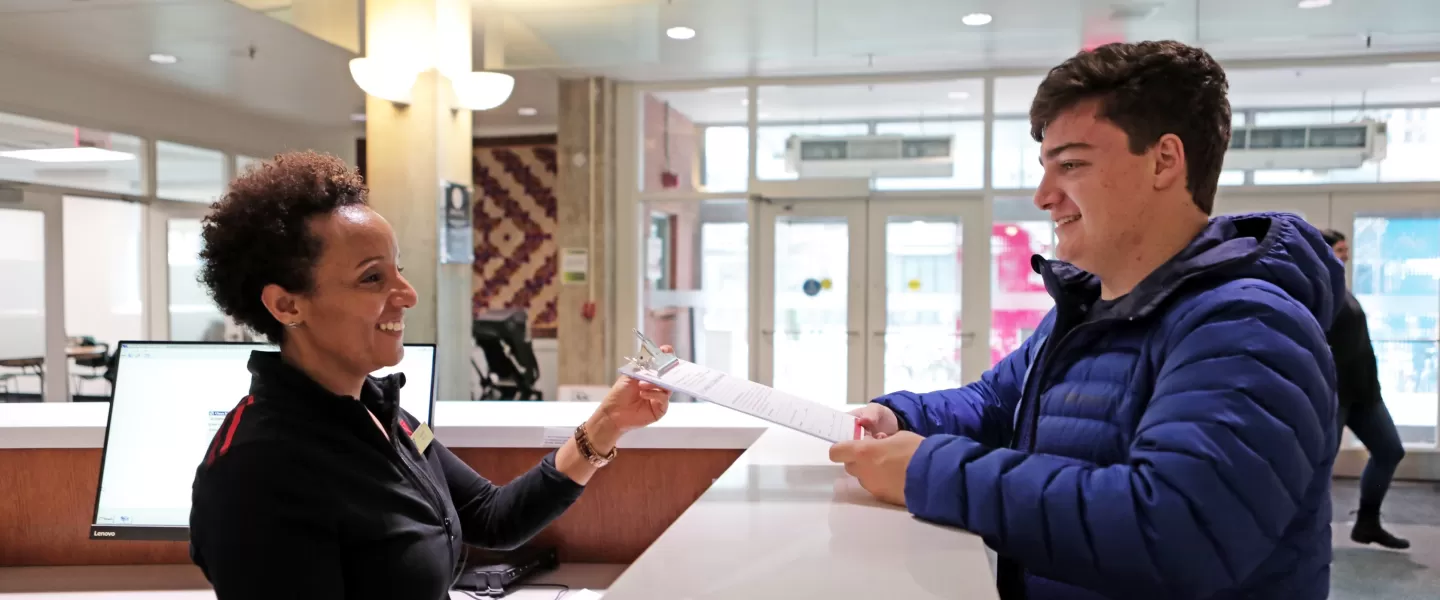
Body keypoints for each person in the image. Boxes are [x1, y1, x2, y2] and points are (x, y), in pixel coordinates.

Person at [831, 41, 1344, 600]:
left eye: (1071, 165)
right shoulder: (1086, 310)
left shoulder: (1247, 326)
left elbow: (1174, 531)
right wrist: (901, 416)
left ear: (1164, 161)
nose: (1044, 196)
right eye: (1046, 168)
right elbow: (997, 404)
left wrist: (929, 472)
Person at [188, 151, 672, 600]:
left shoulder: (385, 418)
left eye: (398, 270)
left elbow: (492, 518)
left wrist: (608, 421)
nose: (407, 294)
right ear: (287, 304)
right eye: (372, 278)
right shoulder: (256, 471)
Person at [1321, 228, 1409, 549]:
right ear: (1323, 251)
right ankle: (1300, 537)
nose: (1346, 255)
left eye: (1346, 250)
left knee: (1390, 450)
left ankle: (1367, 523)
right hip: (1334, 395)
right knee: (1319, 467)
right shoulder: (1317, 291)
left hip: (1365, 393)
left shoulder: (1340, 287)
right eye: (1340, 249)